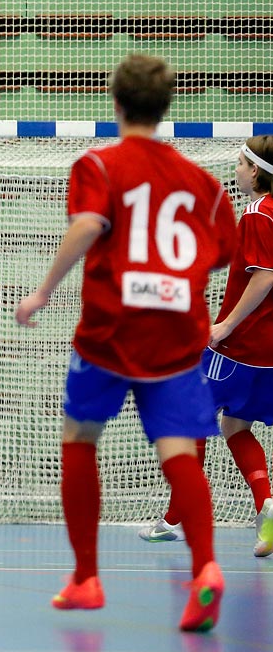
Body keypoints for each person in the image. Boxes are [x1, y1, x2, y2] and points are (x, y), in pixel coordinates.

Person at [14, 53, 238, 633]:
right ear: (166, 110)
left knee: (79, 435)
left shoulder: (99, 165)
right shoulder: (205, 183)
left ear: (116, 105)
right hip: (176, 332)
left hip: (112, 330)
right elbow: (221, 254)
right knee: (179, 451)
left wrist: (41, 293)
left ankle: (86, 577)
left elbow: (89, 225)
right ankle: (207, 568)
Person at [137, 134, 273, 558]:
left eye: (239, 163)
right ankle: (266, 508)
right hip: (268, 354)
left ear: (255, 171)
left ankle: (181, 519)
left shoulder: (258, 214)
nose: (235, 170)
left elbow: (265, 275)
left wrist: (226, 325)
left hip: (239, 347)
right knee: (235, 426)